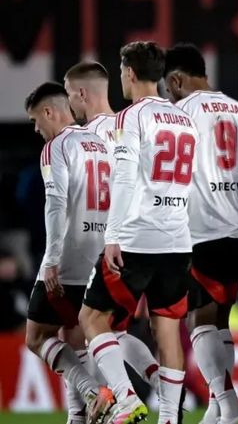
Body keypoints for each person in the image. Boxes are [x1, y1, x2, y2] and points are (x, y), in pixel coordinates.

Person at [78, 41, 199, 424]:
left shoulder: (130, 117)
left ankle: (127, 398)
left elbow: (126, 175)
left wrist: (112, 234)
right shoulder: (185, 119)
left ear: (128, 73)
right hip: (178, 238)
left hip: (136, 237)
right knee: (167, 328)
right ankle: (169, 417)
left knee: (92, 318)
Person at [164, 43, 238, 424]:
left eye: (167, 87)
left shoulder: (178, 114)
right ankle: (215, 409)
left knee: (199, 322)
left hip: (197, 231)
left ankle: (231, 406)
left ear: (176, 80)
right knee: (220, 320)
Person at [64, 60, 162, 391]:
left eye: (68, 95)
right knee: (114, 331)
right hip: (131, 248)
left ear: (80, 93)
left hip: (90, 247)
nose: (68, 104)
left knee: (79, 330)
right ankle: (163, 387)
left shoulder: (77, 138)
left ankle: (109, 401)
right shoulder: (127, 125)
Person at [23, 81, 115, 424]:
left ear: (49, 112)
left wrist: (50, 260)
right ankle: (79, 417)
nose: (36, 129)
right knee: (74, 338)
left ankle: (93, 392)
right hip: (101, 256)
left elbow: (56, 204)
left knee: (37, 337)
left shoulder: (57, 147)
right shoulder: (102, 143)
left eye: (36, 120)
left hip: (70, 257)